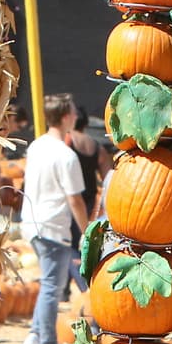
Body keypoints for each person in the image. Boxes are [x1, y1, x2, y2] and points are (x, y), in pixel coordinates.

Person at [21, 93, 88, 344]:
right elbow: (75, 198)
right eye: (72, 112)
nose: (76, 116)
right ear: (65, 117)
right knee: (52, 286)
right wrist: (86, 230)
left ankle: (36, 335)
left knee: (48, 283)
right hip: (53, 226)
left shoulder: (36, 146)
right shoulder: (67, 156)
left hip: (31, 221)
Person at [63, 106, 111, 299]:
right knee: (82, 242)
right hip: (89, 197)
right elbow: (106, 174)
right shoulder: (95, 145)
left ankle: (82, 288)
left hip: (71, 197)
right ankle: (70, 286)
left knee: (70, 244)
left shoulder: (67, 141)